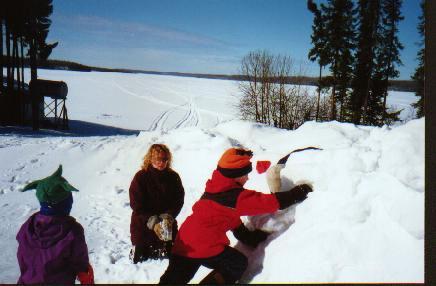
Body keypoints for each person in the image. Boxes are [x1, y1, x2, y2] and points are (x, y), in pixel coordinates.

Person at [159, 147, 312, 284]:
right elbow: (271, 202)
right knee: (236, 263)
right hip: (203, 245)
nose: (247, 178)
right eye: (245, 174)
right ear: (235, 176)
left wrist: (249, 237)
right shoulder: (236, 197)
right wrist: (300, 191)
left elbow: (227, 217)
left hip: (184, 242)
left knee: (172, 280)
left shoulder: (215, 187)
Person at [16, 165, 94, 284]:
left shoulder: (27, 227)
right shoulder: (73, 231)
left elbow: (23, 257)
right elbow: (81, 264)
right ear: (67, 203)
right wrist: (86, 274)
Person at [129, 143, 185, 263]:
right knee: (140, 260)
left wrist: (169, 216)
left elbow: (178, 200)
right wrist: (151, 220)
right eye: (158, 159)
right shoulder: (141, 177)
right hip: (143, 224)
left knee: (170, 257)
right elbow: (136, 204)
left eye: (164, 159)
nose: (161, 162)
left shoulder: (173, 177)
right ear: (150, 159)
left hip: (166, 223)